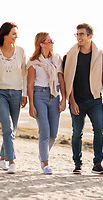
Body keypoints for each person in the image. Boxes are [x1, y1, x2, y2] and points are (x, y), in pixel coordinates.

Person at [63, 23, 103, 175]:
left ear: (90, 36)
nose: (79, 37)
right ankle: (77, 163)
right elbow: (67, 80)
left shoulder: (100, 54)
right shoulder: (70, 55)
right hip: (77, 100)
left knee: (99, 130)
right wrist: (71, 101)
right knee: (77, 132)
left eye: (82, 34)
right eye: (77, 34)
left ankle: (97, 164)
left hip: (95, 100)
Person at [0, 22, 27, 174]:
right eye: (14, 33)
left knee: (13, 129)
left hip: (16, 93)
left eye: (16, 33)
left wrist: (25, 94)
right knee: (7, 127)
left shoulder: (21, 51)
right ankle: (12, 161)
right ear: (5, 35)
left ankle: (2, 159)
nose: (16, 36)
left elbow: (25, 75)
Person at [27, 32, 66, 174]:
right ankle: (45, 163)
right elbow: (30, 85)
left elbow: (61, 80)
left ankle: (43, 154)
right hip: (39, 96)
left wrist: (64, 99)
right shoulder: (33, 62)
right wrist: (31, 104)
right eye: (49, 41)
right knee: (44, 131)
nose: (52, 43)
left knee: (54, 133)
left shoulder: (57, 59)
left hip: (54, 95)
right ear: (41, 44)